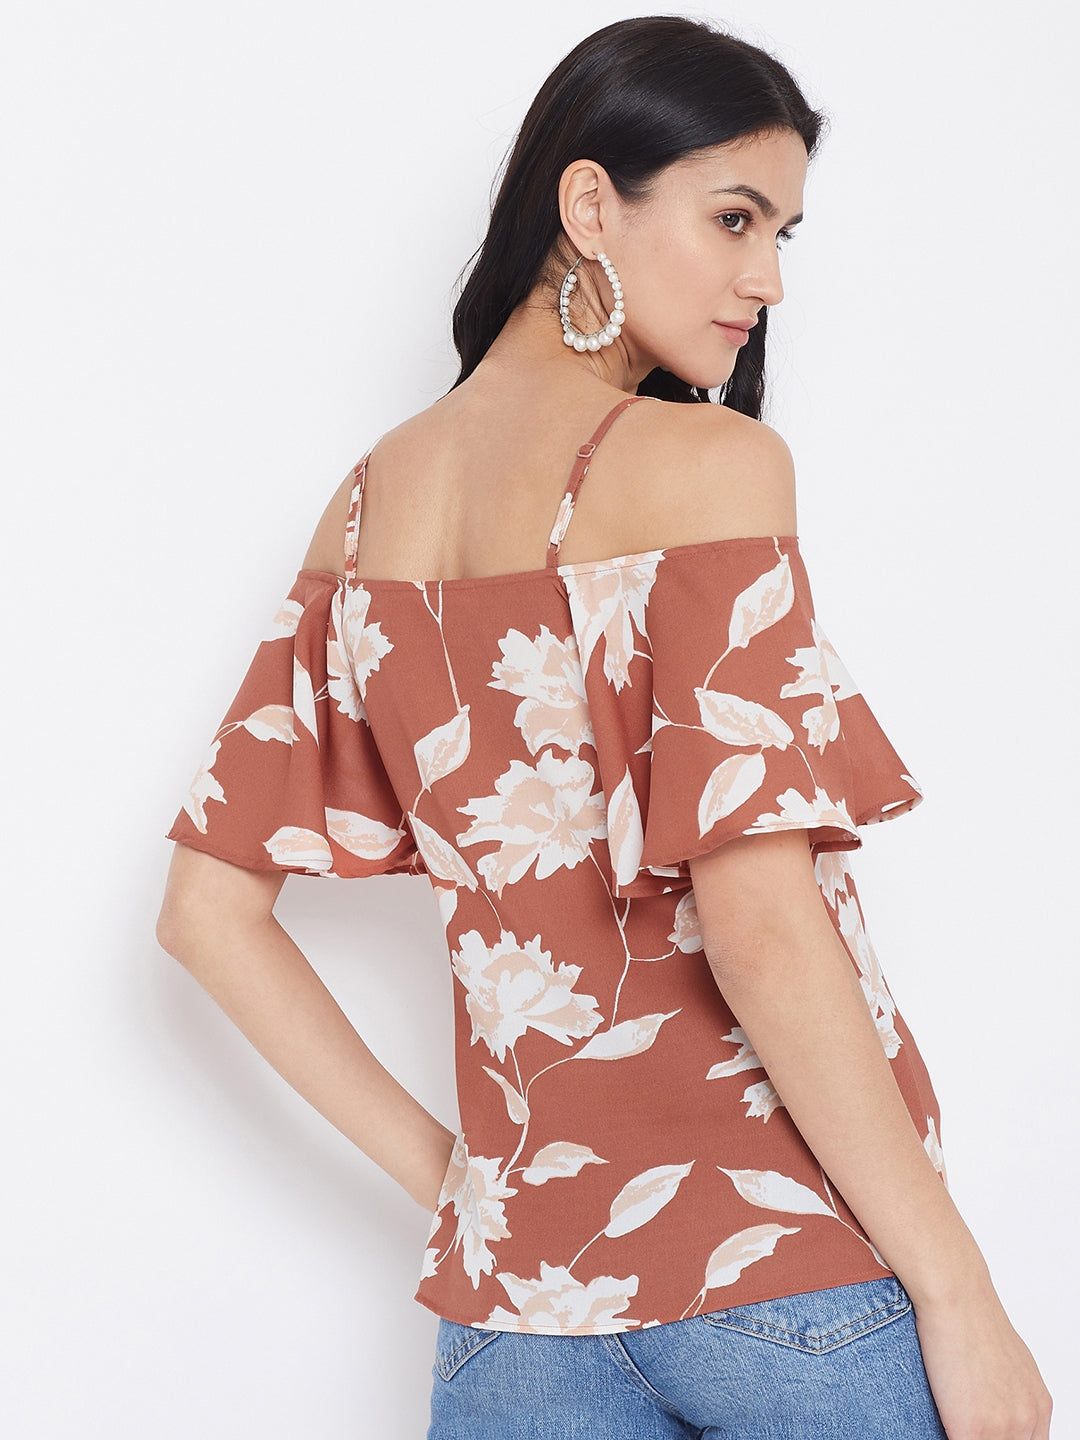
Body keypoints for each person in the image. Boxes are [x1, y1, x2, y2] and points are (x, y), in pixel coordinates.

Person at [156, 14, 1053, 1439]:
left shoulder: (369, 502)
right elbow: (759, 928)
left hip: (516, 1318)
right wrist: (959, 1293)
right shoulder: (710, 466)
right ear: (589, 204)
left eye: (784, 235)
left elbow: (208, 915)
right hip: (784, 1277)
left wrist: (463, 1186)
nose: (767, 279)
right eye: (734, 218)